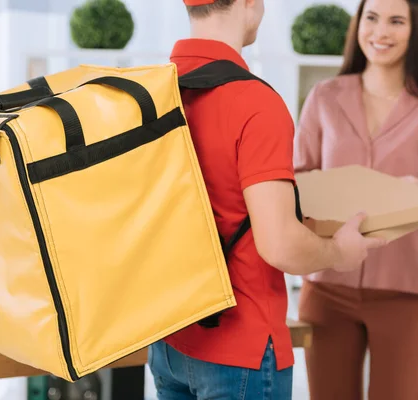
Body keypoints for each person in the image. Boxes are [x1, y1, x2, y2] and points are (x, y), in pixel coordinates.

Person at [147, 1, 387, 399]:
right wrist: (339, 252)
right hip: (240, 347)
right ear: (249, 4)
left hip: (168, 337)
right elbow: (280, 246)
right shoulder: (254, 103)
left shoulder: (156, 89)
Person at [294, 0, 418, 399]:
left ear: (414, 30)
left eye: (396, 21)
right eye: (371, 18)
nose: (380, 32)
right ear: (358, 24)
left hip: (407, 294)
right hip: (327, 289)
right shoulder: (324, 96)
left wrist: (413, 191)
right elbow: (297, 181)